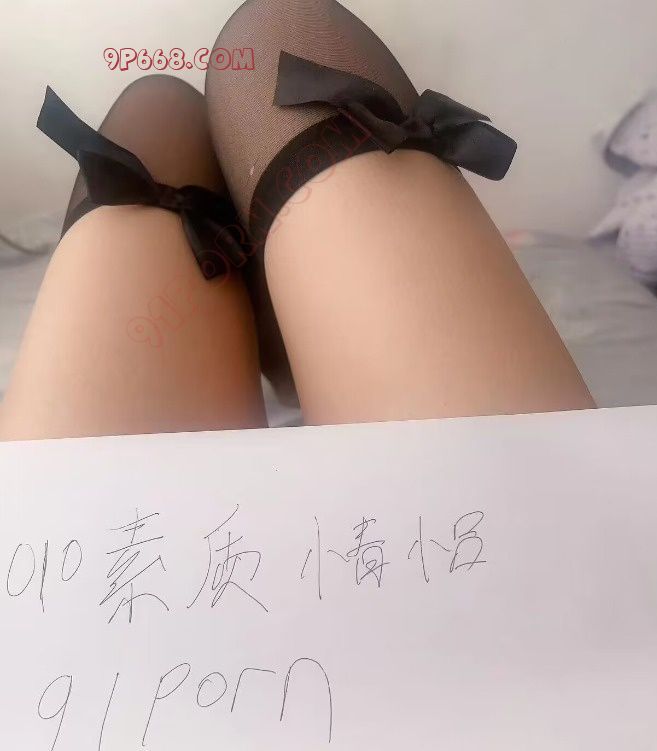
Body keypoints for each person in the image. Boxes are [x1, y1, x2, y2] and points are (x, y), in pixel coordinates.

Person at [0, 0, 593, 443]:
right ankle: (284, 298)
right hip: (525, 503)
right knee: (280, 25)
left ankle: (256, 285)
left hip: (55, 538)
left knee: (157, 101)